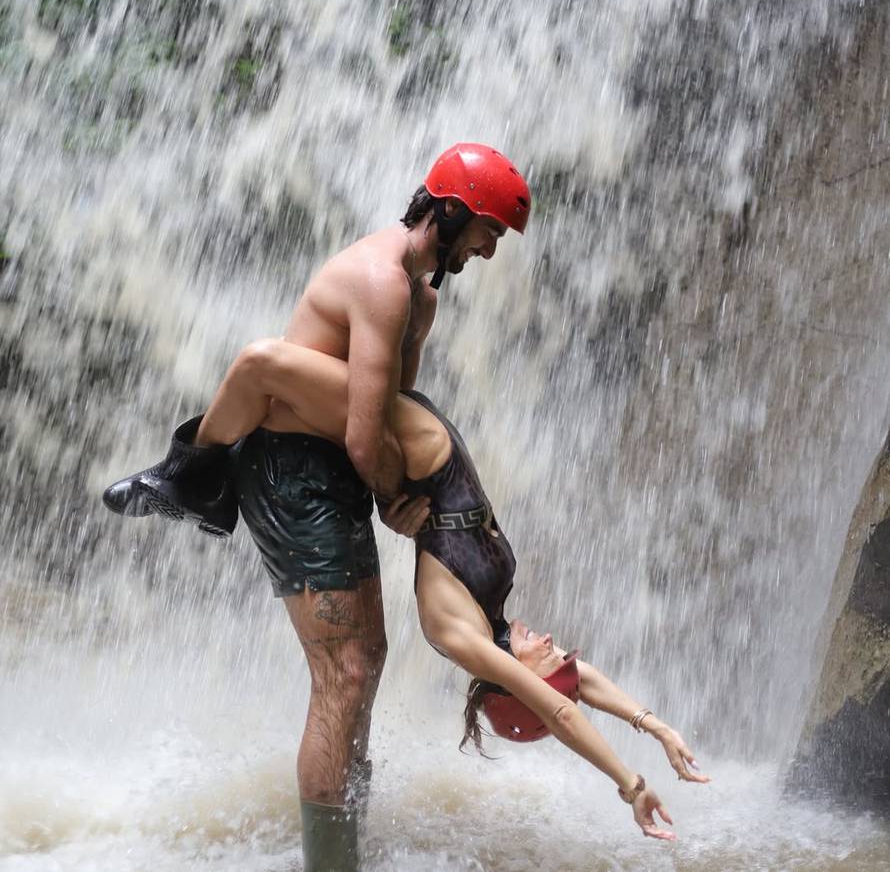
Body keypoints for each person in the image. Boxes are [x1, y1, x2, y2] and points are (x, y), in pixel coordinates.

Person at [103, 143, 532, 872]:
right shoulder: (382, 282)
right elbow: (367, 434)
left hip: (331, 472)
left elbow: (387, 413)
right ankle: (190, 473)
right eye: (490, 231)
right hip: (291, 471)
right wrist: (396, 499)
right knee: (346, 672)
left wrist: (403, 493)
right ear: (454, 212)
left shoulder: (419, 298)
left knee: (362, 665)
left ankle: (343, 851)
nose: (490, 250)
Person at [177, 340, 710, 843]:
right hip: (418, 435)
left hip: (403, 438)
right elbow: (581, 685)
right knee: (402, 314)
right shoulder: (492, 620)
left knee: (261, 367)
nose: (553, 642)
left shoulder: (460, 635)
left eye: (550, 660)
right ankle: (213, 474)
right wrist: (657, 728)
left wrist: (630, 786)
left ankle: (188, 480)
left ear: (522, 688)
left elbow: (562, 712)